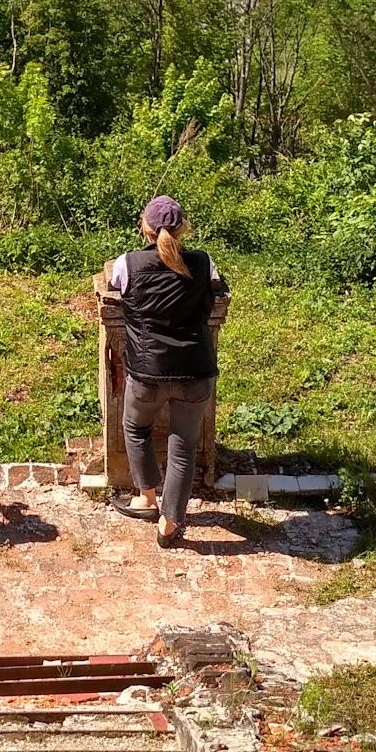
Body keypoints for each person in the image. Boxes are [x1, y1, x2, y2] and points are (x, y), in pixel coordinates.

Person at [109, 195, 229, 549]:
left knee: (135, 427)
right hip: (195, 371)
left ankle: (146, 498)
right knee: (184, 446)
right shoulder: (203, 262)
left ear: (145, 228)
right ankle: (170, 522)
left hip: (148, 373)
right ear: (183, 228)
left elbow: (114, 284)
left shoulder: (127, 263)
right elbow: (217, 288)